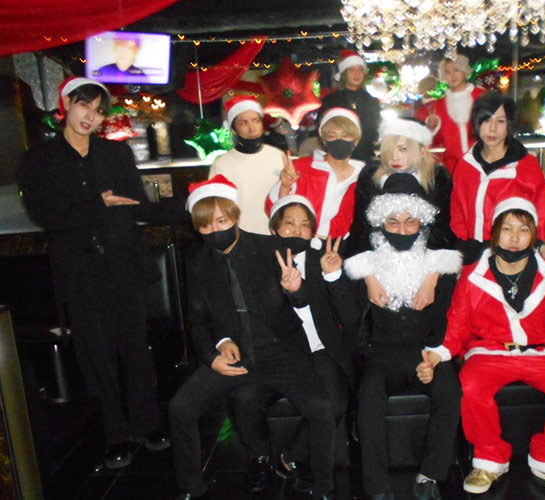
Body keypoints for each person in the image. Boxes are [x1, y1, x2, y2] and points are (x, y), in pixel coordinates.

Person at [18, 77, 186, 469]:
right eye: (84, 106)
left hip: (123, 264)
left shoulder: (115, 153)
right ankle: (116, 434)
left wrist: (189, 205)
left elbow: (137, 206)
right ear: (66, 104)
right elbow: (47, 216)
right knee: (97, 357)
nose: (89, 116)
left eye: (97, 111)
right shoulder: (38, 160)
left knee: (135, 350)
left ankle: (147, 423)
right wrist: (99, 205)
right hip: (79, 272)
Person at [168, 177, 336, 500]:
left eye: (222, 221)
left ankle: (324, 488)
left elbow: (301, 300)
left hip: (281, 349)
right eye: (205, 225)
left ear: (235, 216)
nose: (214, 230)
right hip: (236, 354)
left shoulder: (270, 248)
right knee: (180, 407)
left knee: (322, 408)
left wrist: (295, 289)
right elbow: (197, 320)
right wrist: (215, 351)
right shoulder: (198, 262)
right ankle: (193, 487)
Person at [422, 198, 545, 496]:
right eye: (507, 229)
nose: (514, 237)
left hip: (543, 352)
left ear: (534, 236)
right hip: (490, 352)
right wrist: (437, 355)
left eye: (523, 230)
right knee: (469, 386)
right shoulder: (472, 276)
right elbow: (457, 326)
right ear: (495, 232)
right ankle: (489, 460)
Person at [228, 194, 359, 493]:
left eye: (304, 225)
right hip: (272, 353)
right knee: (243, 399)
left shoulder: (323, 259)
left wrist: (333, 276)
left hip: (317, 349)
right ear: (274, 229)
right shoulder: (256, 262)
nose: (297, 230)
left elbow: (350, 317)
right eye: (289, 224)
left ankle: (293, 457)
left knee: (336, 402)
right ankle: (259, 456)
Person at [344, 174, 463, 500]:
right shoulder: (366, 266)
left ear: (421, 223)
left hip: (427, 350)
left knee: (450, 392)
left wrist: (434, 356)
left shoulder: (438, 266)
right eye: (393, 222)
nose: (401, 230)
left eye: (410, 222)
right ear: (381, 223)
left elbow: (450, 318)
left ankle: (431, 474)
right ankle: (377, 487)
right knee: (368, 397)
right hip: (380, 353)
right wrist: (368, 278)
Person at [450, 91, 545, 248]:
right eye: (487, 120)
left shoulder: (527, 167)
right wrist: (460, 251)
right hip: (472, 254)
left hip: (512, 255)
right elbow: (457, 215)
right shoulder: (465, 165)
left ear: (509, 125)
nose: (492, 129)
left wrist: (543, 247)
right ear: (477, 122)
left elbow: (543, 217)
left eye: (500, 121)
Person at [346, 117, 455, 256]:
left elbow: (441, 227)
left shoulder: (437, 177)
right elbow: (361, 226)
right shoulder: (371, 176)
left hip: (426, 254)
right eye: (389, 150)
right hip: (377, 253)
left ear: (422, 151)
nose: (394, 157)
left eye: (403, 149)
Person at [266, 108, 365, 243]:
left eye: (346, 135)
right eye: (332, 135)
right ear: (324, 140)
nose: (339, 140)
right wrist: (285, 186)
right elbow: (273, 210)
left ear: (356, 140)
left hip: (338, 248)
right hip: (298, 243)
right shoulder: (301, 168)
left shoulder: (363, 177)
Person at [208, 95, 287, 234]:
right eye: (243, 123)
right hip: (241, 236)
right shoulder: (222, 165)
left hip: (276, 234)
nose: (252, 128)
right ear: (234, 129)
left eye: (256, 121)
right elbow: (217, 208)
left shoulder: (278, 156)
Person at [415, 55, 485, 174]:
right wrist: (432, 127)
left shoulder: (481, 97)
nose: (452, 75)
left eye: (456, 70)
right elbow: (435, 142)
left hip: (482, 163)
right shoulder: (439, 105)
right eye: (447, 72)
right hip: (453, 168)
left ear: (464, 71)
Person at [317, 50, 381, 163]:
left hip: (365, 157)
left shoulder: (372, 101)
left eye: (360, 70)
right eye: (352, 70)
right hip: (338, 157)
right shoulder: (331, 100)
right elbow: (321, 129)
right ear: (344, 74)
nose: (357, 74)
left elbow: (375, 130)